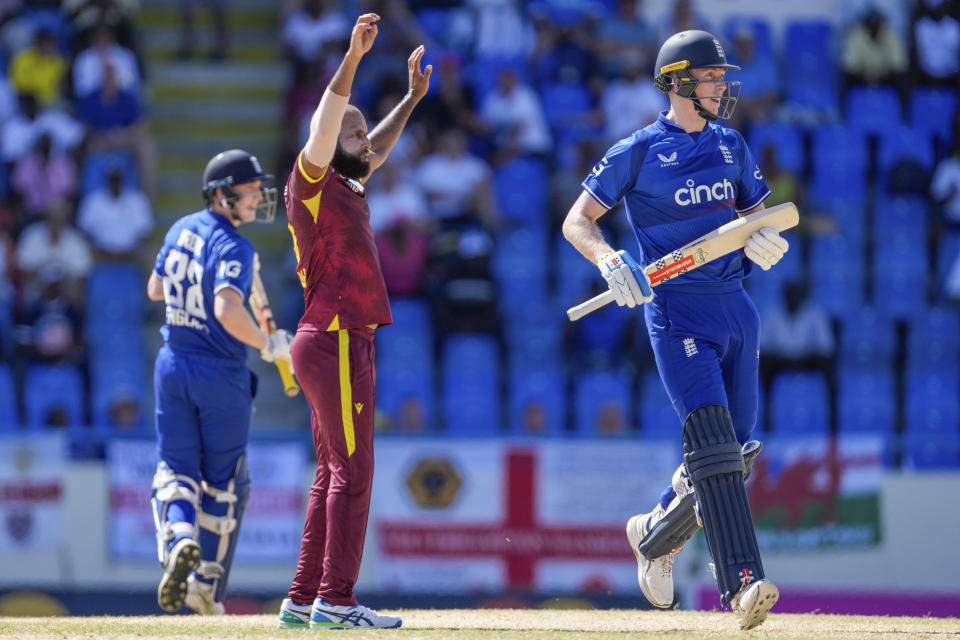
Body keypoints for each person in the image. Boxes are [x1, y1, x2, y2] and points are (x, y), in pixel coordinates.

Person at [561, 30, 787, 630]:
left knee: (732, 455)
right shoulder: (636, 150)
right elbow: (577, 221)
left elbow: (755, 215)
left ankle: (655, 535)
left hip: (736, 307)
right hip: (676, 311)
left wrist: (762, 236)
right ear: (679, 81)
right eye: (712, 77)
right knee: (714, 442)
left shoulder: (733, 144)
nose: (722, 86)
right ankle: (741, 582)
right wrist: (610, 261)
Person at [275, 13, 430, 630]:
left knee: (331, 474)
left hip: (339, 338)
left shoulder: (346, 183)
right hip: (335, 337)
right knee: (355, 473)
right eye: (355, 132)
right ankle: (336, 601)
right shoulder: (309, 180)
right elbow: (327, 119)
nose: (365, 140)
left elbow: (376, 148)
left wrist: (412, 99)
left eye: (364, 132)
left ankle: (301, 596)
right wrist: (353, 59)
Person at [146, 149, 294, 615]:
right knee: (225, 483)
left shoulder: (178, 227)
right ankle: (205, 584)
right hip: (220, 373)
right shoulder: (235, 245)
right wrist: (269, 345)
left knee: (175, 471)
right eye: (249, 189)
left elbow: (155, 289)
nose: (258, 196)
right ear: (222, 194)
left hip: (172, 364)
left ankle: (179, 538)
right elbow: (228, 309)